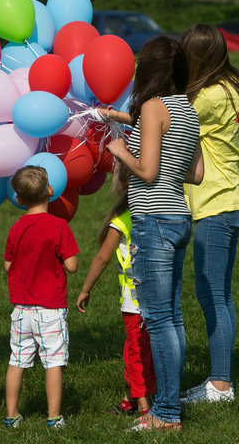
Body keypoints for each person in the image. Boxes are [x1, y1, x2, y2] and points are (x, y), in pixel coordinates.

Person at [105, 36, 204, 431]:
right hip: (180, 216)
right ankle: (169, 403)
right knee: (172, 318)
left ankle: (165, 414)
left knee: (158, 320)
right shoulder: (187, 110)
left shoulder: (151, 106)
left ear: (147, 69)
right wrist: (124, 119)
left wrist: (119, 151)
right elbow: (195, 174)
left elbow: (146, 171)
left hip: (152, 218)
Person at [179, 24, 239, 404]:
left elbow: (171, 123)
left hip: (216, 204)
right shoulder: (233, 87)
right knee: (220, 294)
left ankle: (221, 385)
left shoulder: (208, 97)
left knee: (212, 295)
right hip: (233, 199)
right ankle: (219, 380)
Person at [3, 165, 79, 430]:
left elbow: (8, 265)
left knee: (16, 361)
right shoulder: (59, 226)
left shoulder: (16, 227)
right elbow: (71, 266)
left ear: (19, 200)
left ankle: (11, 416)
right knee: (53, 363)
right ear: (50, 191)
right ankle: (53, 417)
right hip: (50, 309)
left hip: (21, 309)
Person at [76, 165, 156, 417]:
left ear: (122, 186)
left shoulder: (121, 221)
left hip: (134, 301)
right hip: (160, 297)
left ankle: (144, 408)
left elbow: (101, 258)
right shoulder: (156, 213)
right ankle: (130, 399)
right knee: (147, 350)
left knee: (135, 353)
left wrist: (86, 289)